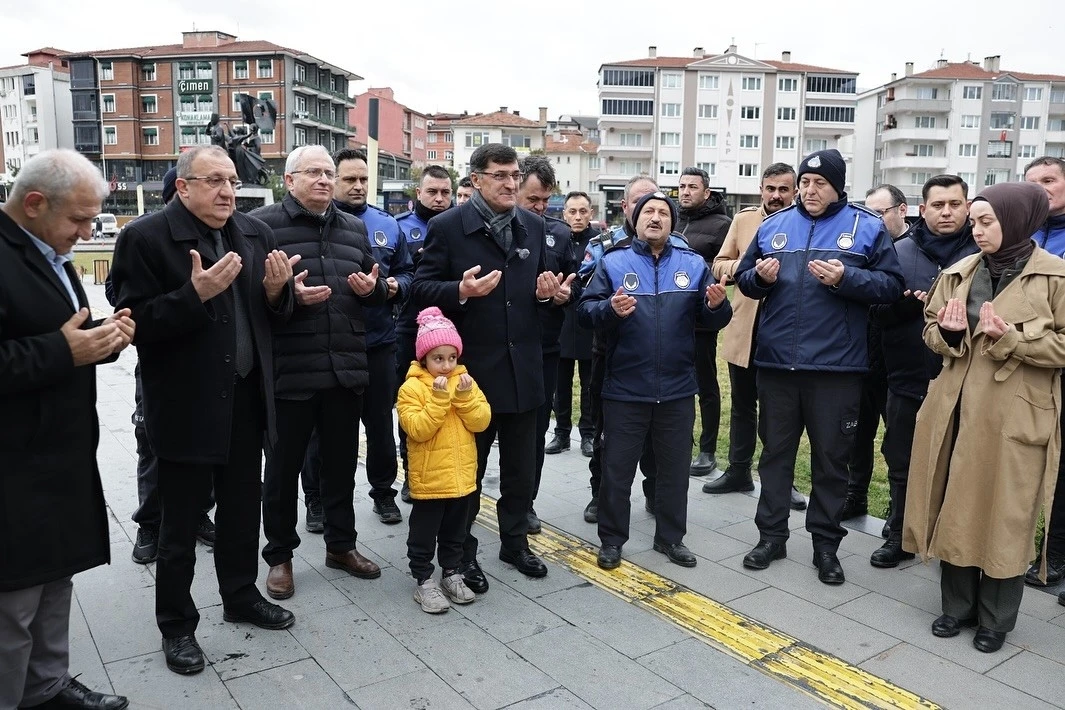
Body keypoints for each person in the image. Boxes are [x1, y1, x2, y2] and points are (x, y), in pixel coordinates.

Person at [111, 145, 297, 675]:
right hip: (186, 404)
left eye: (232, 181)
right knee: (181, 525)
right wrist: (193, 295)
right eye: (213, 180)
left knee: (242, 514)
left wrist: (279, 292)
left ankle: (240, 596)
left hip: (245, 398)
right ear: (182, 186)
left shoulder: (255, 233)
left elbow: (270, 317)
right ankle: (177, 625)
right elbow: (134, 323)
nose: (226, 192)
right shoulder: (144, 238)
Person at [903, 181, 1065, 653]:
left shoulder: (1056, 278)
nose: (977, 229)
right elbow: (932, 330)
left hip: (1015, 416)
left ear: (1016, 220)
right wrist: (949, 333)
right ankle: (956, 607)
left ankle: (996, 618)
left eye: (986, 221)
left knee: (1004, 513)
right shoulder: (958, 272)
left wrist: (1013, 339)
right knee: (954, 500)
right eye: (975, 221)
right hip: (954, 409)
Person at [1, 149, 133, 710]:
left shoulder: (46, 248)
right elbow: (52, 345)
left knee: (56, 579)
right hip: (13, 463)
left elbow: (62, 332)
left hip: (59, 450)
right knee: (14, 600)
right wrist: (62, 352)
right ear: (34, 204)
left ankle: (47, 687)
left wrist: (99, 339)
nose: (87, 232)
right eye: (79, 220)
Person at [735, 149, 904, 586]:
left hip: (836, 369)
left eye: (819, 184)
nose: (810, 190)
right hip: (776, 365)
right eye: (805, 183)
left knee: (831, 462)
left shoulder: (865, 227)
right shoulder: (773, 226)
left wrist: (845, 279)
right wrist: (761, 279)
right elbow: (745, 279)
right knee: (774, 456)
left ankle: (825, 545)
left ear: (837, 186)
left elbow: (890, 286)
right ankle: (771, 537)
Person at [410, 143, 562, 590]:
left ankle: (515, 543)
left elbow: (542, 298)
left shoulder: (534, 226)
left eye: (514, 174)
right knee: (467, 474)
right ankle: (460, 555)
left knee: (521, 470)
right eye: (500, 175)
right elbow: (420, 288)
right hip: (470, 376)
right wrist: (459, 290)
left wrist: (548, 296)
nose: (511, 183)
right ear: (475, 180)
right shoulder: (447, 226)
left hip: (525, 369)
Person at [251, 145, 387, 601]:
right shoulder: (263, 226)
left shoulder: (353, 228)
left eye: (329, 172)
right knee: (283, 470)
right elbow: (253, 300)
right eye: (314, 172)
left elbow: (373, 286)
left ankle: (341, 546)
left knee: (341, 464)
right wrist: (283, 295)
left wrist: (373, 292)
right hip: (290, 370)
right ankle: (279, 557)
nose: (325, 180)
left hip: (344, 366)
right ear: (289, 181)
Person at [579, 191, 732, 569]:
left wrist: (716, 306)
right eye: (648, 211)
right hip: (625, 388)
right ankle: (612, 540)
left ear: (673, 222)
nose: (655, 218)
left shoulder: (694, 264)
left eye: (664, 213)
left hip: (678, 388)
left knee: (674, 471)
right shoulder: (614, 262)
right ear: (635, 218)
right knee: (617, 470)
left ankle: (670, 538)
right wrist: (610, 309)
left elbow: (712, 319)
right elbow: (585, 311)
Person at [295, 148, 413, 526]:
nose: (358, 186)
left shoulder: (387, 225)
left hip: (376, 343)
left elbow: (411, 272)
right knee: (317, 430)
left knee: (379, 424)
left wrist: (396, 286)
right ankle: (314, 499)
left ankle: (383, 493)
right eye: (349, 179)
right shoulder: (311, 224)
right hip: (324, 346)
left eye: (364, 179)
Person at [105, 169, 218, 564]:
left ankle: (199, 513)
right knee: (152, 444)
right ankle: (149, 522)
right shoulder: (143, 237)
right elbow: (120, 296)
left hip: (207, 366)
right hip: (161, 363)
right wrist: (189, 293)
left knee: (205, 442)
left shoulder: (217, 238)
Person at [868, 176, 975, 568]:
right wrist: (905, 307)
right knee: (902, 460)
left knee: (958, 464)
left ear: (967, 207)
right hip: (907, 376)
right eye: (938, 205)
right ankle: (901, 534)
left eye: (955, 204)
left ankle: (949, 542)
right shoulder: (898, 251)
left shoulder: (981, 254)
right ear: (922, 210)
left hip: (964, 380)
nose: (946, 212)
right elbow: (875, 313)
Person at [706, 163, 806, 512]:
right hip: (746, 327)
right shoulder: (744, 220)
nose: (776, 196)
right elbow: (719, 263)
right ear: (761, 189)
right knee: (743, 405)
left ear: (794, 191)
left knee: (782, 413)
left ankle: (784, 481)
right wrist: (745, 268)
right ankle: (738, 471)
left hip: (786, 333)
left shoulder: (805, 223)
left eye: (783, 189)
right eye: (770, 189)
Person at [578, 176, 672, 523]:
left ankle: (655, 491)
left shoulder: (675, 243)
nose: (649, 212)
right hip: (612, 354)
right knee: (608, 431)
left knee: (657, 435)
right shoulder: (604, 246)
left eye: (656, 203)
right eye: (639, 202)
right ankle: (599, 493)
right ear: (626, 207)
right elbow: (584, 300)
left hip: (660, 360)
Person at [397, 307, 491, 613]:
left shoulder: (465, 382)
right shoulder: (410, 389)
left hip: (461, 477)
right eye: (439, 358)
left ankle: (452, 572)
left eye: (452, 357)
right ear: (424, 358)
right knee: (424, 532)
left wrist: (463, 399)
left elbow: (481, 421)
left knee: (456, 530)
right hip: (430, 479)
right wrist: (438, 401)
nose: (447, 365)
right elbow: (418, 429)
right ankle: (424, 579)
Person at [838, 185, 909, 527]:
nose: (874, 220)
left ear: (902, 211)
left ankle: (899, 517)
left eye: (880, 212)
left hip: (901, 363)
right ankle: (855, 495)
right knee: (858, 433)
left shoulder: (914, 250)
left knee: (897, 443)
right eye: (868, 213)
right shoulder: (863, 246)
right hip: (862, 356)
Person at [518, 155, 579, 534]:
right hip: (500, 347)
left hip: (544, 348)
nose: (541, 208)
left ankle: (526, 503)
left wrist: (564, 297)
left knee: (535, 432)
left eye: (546, 201)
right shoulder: (499, 229)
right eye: (533, 200)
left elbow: (574, 285)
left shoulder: (559, 232)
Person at [395, 165, 455, 505]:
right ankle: (410, 473)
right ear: (418, 193)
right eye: (432, 191)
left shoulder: (460, 227)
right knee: (415, 404)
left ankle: (447, 472)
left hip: (452, 330)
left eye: (445, 192)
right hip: (411, 326)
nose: (439, 198)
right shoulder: (402, 229)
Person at [1023, 156, 1065, 590]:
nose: (1041, 189)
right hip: (1024, 365)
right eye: (1032, 183)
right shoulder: (1019, 233)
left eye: (1049, 180)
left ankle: (1054, 557)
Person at [676, 167, 732, 477]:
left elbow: (725, 265)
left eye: (692, 187)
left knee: (706, 384)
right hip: (670, 318)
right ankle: (680, 443)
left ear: (706, 192)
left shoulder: (721, 225)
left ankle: (707, 449)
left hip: (701, 318)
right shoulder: (672, 219)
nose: (685, 192)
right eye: (682, 186)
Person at [548, 191, 598, 458]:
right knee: (561, 382)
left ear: (590, 213)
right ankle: (562, 432)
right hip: (563, 320)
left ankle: (588, 434)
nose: (577, 217)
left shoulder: (600, 243)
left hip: (589, 320)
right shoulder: (557, 239)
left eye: (582, 211)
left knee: (589, 383)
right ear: (564, 213)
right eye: (572, 212)